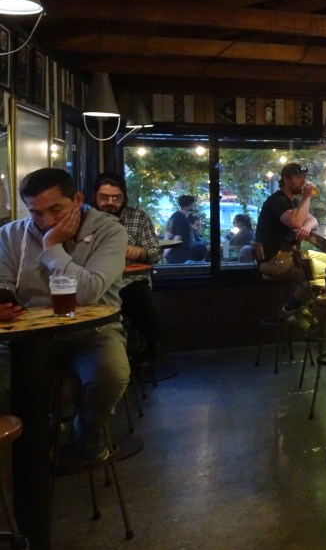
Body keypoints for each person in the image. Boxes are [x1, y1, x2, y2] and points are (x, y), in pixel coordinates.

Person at [0, 168, 130, 460]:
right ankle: (35, 439)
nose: (47, 221)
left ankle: (88, 428)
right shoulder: (10, 235)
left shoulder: (109, 231)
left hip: (92, 332)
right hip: (26, 335)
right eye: (36, 213)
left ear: (78, 199)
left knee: (111, 375)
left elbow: (88, 292)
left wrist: (52, 245)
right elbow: (3, 283)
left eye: (55, 209)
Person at [93, 171, 165, 363]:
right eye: (104, 197)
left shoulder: (139, 217)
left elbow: (156, 254)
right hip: (95, 284)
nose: (110, 202)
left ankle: (145, 355)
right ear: (95, 196)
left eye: (116, 198)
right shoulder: (85, 219)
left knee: (146, 310)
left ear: (124, 197)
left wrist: (140, 252)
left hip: (129, 282)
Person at [255, 163, 326, 325]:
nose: (303, 181)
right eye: (299, 177)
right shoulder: (278, 201)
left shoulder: (291, 202)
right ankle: (291, 308)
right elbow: (296, 222)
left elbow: (313, 220)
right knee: (325, 272)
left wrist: (306, 227)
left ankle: (303, 304)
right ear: (286, 179)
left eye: (304, 178)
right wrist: (307, 197)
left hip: (290, 256)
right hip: (276, 260)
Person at [164, 194, 198, 264]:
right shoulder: (182, 219)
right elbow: (177, 238)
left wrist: (166, 249)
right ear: (189, 205)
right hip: (181, 257)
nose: (194, 205)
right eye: (193, 203)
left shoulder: (174, 216)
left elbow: (168, 233)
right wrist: (166, 252)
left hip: (173, 256)